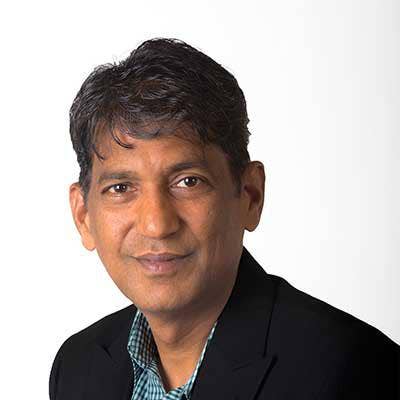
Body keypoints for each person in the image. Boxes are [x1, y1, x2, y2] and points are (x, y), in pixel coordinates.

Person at [49, 38, 399, 400]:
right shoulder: (78, 367)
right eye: (121, 188)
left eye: (189, 182)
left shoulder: (351, 369)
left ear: (250, 195)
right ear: (83, 215)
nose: (157, 224)